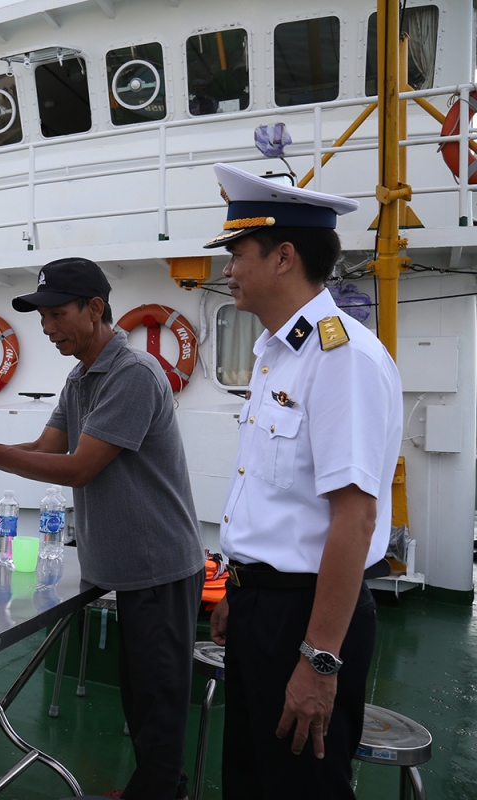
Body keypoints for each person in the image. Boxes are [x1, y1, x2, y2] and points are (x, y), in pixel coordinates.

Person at [0, 257, 204, 800]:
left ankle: (160, 791)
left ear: (95, 309)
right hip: (125, 568)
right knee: (139, 693)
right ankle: (154, 789)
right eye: (43, 317)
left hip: (160, 566)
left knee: (158, 701)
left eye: (56, 315)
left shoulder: (133, 375)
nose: (48, 329)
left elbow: (79, 466)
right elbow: (45, 448)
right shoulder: (81, 377)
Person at [204, 164, 402, 799]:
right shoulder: (276, 354)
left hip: (309, 618)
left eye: (238, 252)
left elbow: (356, 519)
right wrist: (240, 590)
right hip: (263, 608)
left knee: (301, 787)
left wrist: (319, 662)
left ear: (283, 256)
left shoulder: (342, 359)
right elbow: (274, 497)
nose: (228, 268)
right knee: (252, 782)